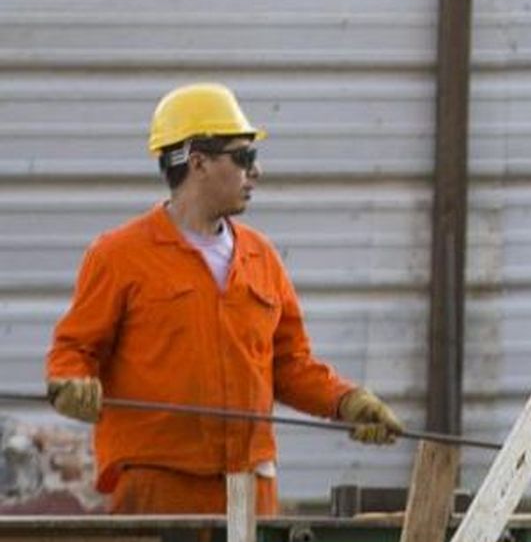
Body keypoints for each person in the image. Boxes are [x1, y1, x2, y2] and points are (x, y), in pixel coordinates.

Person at [45, 82, 404, 516]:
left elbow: (289, 365)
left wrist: (346, 402)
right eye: (244, 157)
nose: (256, 173)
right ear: (198, 161)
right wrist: (70, 384)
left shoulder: (260, 258)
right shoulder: (119, 256)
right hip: (159, 485)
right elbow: (75, 348)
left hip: (251, 486)